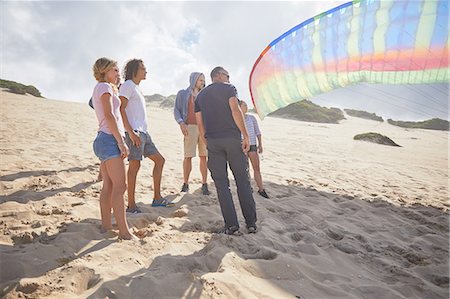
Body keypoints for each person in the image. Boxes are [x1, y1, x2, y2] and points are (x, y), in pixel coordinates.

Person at [195, 66, 257, 235]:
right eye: (227, 75)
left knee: (222, 186)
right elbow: (235, 110)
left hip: (213, 141)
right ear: (219, 75)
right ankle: (251, 224)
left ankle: (232, 226)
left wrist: (206, 140)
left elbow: (199, 123)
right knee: (242, 181)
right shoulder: (229, 88)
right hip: (231, 139)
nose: (229, 78)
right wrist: (245, 135)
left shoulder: (200, 95)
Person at [119, 58, 173, 212]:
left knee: (160, 160)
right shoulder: (127, 85)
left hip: (144, 132)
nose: (145, 71)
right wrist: (130, 132)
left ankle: (157, 198)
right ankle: (131, 205)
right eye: (142, 68)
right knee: (134, 166)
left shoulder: (136, 88)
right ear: (134, 70)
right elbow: (121, 109)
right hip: (134, 132)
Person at [91, 57, 135, 240]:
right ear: (104, 71)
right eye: (115, 70)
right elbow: (109, 116)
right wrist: (121, 141)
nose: (118, 74)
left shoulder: (105, 88)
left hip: (103, 138)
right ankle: (124, 232)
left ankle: (106, 226)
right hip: (109, 139)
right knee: (120, 186)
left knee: (108, 185)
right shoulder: (104, 87)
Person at [174, 72, 210, 195]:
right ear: (194, 80)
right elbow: (177, 111)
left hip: (204, 128)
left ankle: (204, 184)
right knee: (188, 156)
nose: (203, 82)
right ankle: (185, 183)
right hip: (189, 127)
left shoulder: (205, 95)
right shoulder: (183, 94)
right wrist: (181, 123)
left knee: (204, 157)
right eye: (200, 80)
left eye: (203, 80)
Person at [239, 101, 269, 198]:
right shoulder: (236, 118)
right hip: (242, 146)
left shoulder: (252, 118)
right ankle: (248, 188)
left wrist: (260, 145)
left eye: (246, 105)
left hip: (252, 145)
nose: (246, 107)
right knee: (245, 169)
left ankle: (261, 189)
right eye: (244, 105)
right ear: (239, 107)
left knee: (256, 168)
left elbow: (257, 132)